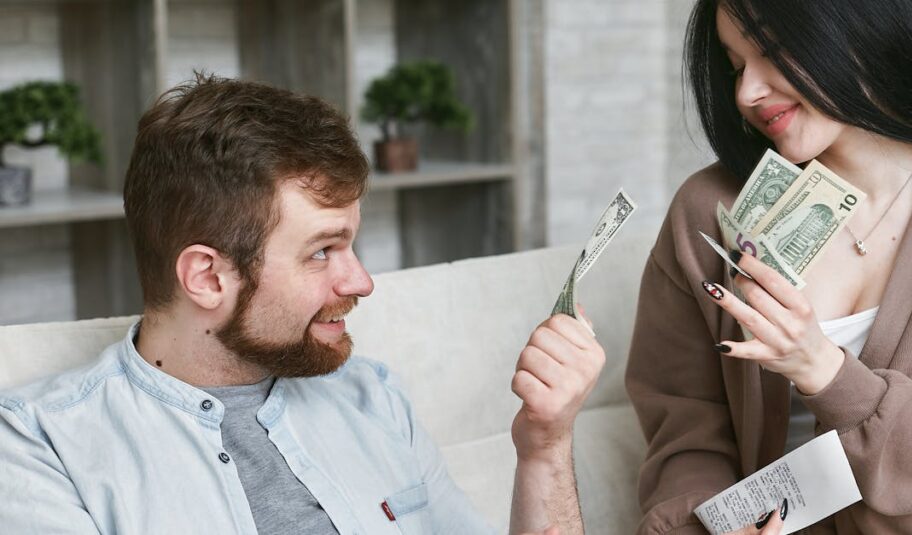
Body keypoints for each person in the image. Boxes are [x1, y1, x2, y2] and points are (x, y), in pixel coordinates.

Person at [0, 75, 605, 535]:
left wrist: (545, 446)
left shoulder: (374, 399)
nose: (362, 281)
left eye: (352, 243)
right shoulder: (42, 446)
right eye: (322, 251)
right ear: (207, 277)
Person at [626, 0, 912, 533]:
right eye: (737, 65)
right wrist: (715, 523)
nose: (747, 92)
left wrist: (823, 371)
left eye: (770, 49)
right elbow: (685, 428)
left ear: (860, 27)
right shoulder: (705, 213)